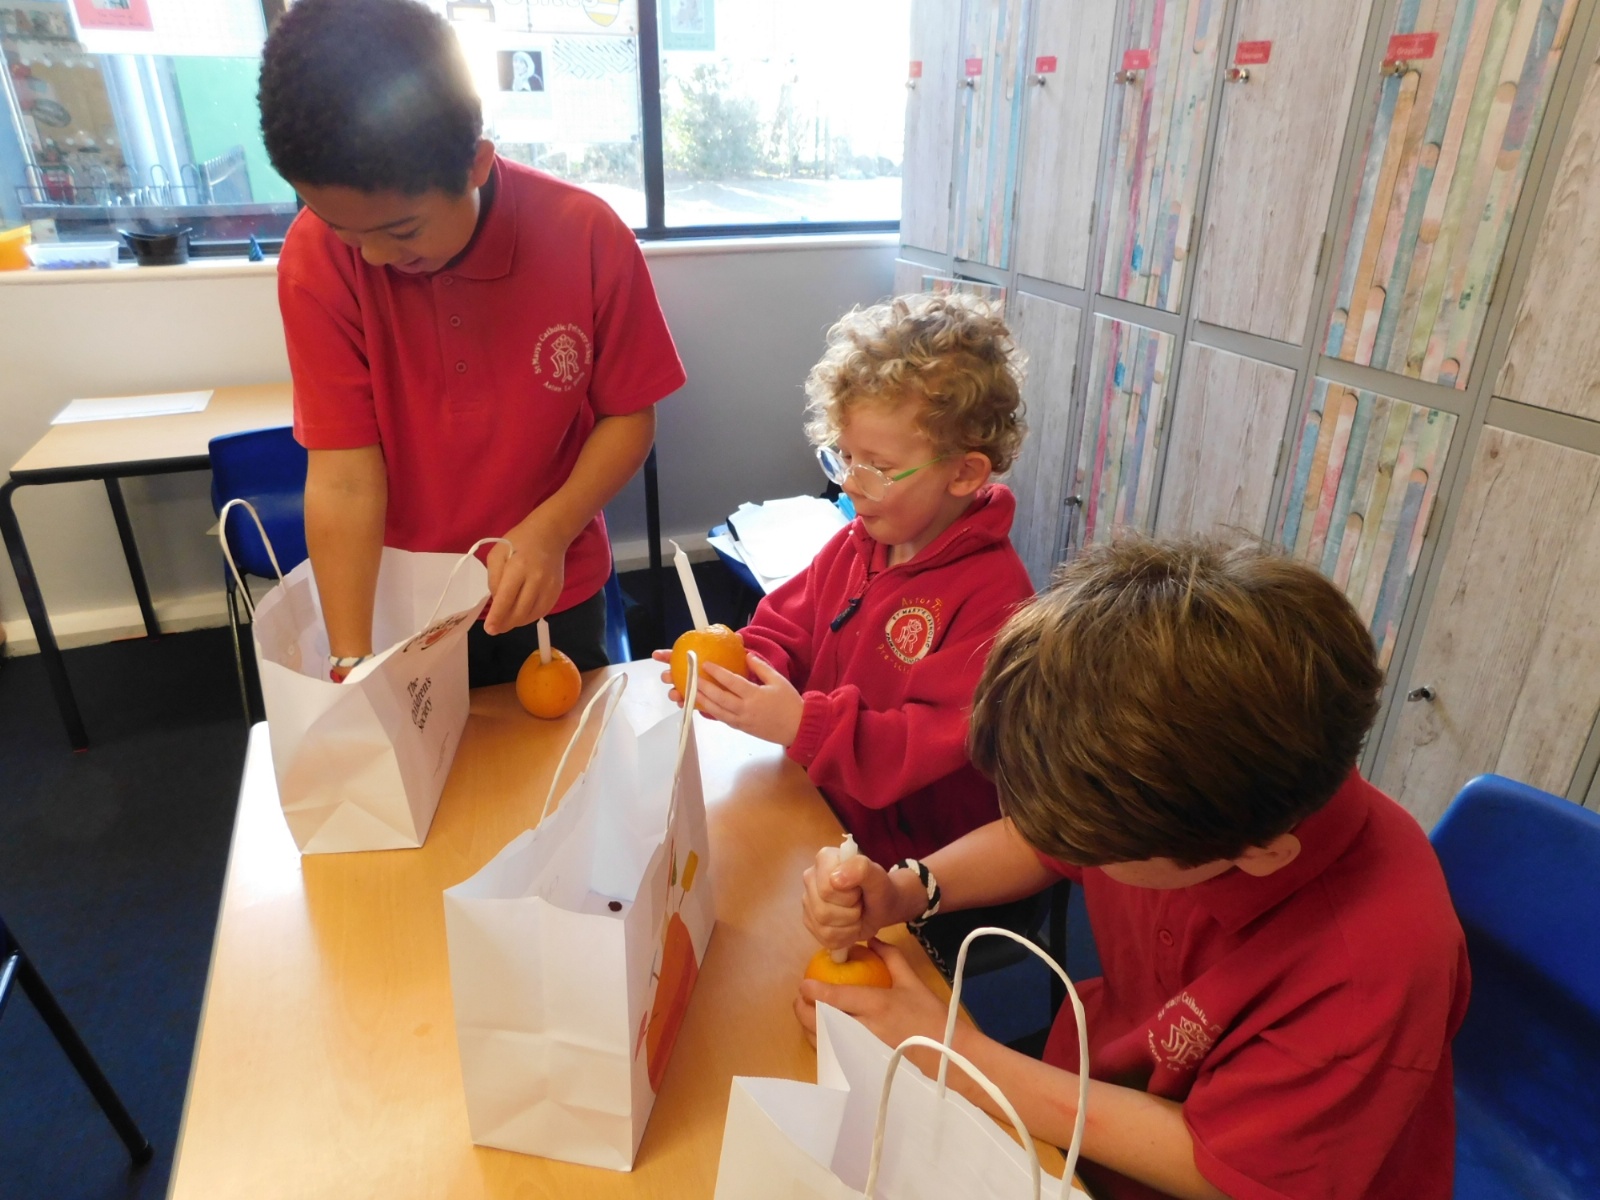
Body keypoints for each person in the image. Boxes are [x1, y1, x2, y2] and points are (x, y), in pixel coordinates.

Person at [797, 538, 1471, 1200]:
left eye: (1096, 852)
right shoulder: (1183, 796)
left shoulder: (1369, 971)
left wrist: (955, 1054)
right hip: (1094, 1094)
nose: (1074, 851)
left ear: (1255, 857)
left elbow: (1217, 1169)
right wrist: (906, 890)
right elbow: (1041, 840)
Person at [259, 0, 684, 685]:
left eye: (402, 231)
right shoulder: (315, 259)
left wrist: (552, 528)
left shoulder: (585, 234)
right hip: (406, 601)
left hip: (549, 583)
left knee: (564, 745)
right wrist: (349, 656)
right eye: (343, 228)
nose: (373, 256)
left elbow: (629, 414)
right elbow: (343, 474)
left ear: (478, 164)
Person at [658, 292, 1035, 901]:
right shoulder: (859, 544)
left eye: (877, 468)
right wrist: (737, 671)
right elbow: (784, 629)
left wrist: (802, 725)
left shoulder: (995, 600)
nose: (851, 486)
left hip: (910, 867)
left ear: (964, 473)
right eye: (846, 458)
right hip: (826, 807)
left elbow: (924, 743)